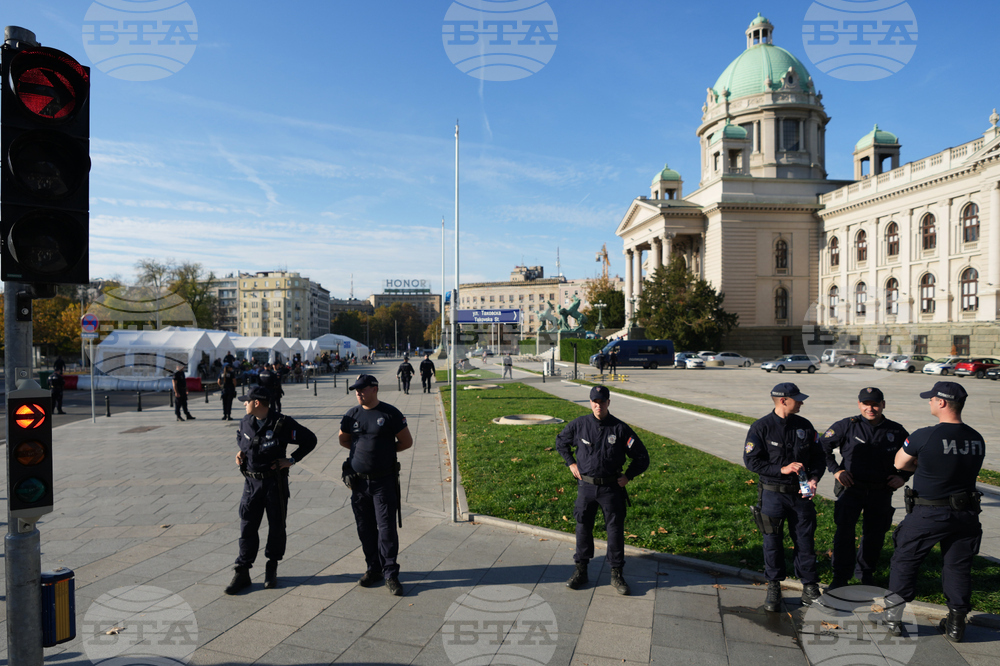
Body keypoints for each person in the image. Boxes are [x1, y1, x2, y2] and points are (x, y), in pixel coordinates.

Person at [874, 382, 985, 642]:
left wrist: (920, 463)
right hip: (966, 514)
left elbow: (900, 462)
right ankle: (956, 624)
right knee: (958, 567)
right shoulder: (976, 437)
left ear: (943, 403)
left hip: (929, 512)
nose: (929, 402)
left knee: (905, 560)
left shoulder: (925, 435)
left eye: (932, 399)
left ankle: (893, 618)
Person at [556, 385, 649, 595]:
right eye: (594, 402)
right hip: (586, 487)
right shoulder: (580, 425)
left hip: (611, 489)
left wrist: (628, 476)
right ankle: (581, 570)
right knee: (582, 527)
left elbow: (642, 457)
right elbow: (561, 442)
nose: (598, 406)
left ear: (609, 402)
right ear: (590, 403)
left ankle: (616, 574)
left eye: (602, 402)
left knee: (614, 531)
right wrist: (570, 463)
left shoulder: (620, 429)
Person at [225, 386, 317, 595]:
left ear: (257, 403)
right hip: (251, 484)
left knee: (276, 526)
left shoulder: (282, 423)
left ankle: (272, 566)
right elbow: (242, 440)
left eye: (246, 401)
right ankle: (243, 570)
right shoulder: (245, 421)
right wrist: (240, 453)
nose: (244, 404)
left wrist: (292, 459)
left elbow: (310, 439)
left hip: (274, 484)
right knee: (247, 526)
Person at [743, 382, 824, 612]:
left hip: (801, 496)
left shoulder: (805, 426)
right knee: (772, 542)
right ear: (783, 400)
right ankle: (774, 586)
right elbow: (752, 461)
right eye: (797, 399)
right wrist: (782, 469)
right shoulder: (761, 427)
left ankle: (809, 587)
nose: (801, 402)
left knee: (805, 541)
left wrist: (814, 478)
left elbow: (818, 457)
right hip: (773, 495)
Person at [820, 387, 909, 589]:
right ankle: (840, 577)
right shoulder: (846, 426)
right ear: (859, 404)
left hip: (880, 491)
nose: (871, 408)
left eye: (875, 404)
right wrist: (835, 471)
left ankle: (865, 575)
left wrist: (902, 477)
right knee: (844, 533)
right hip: (850, 488)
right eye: (866, 404)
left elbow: (913, 457)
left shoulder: (896, 431)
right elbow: (822, 447)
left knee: (875, 535)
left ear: (883, 405)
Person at [340, 374, 413, 596]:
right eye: (356, 389)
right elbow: (344, 439)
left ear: (375, 389)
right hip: (359, 483)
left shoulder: (390, 414)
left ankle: (390, 573)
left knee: (387, 530)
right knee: (365, 529)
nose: (358, 392)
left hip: (383, 482)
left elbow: (406, 442)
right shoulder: (351, 415)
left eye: (362, 389)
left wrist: (385, 452)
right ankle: (374, 569)